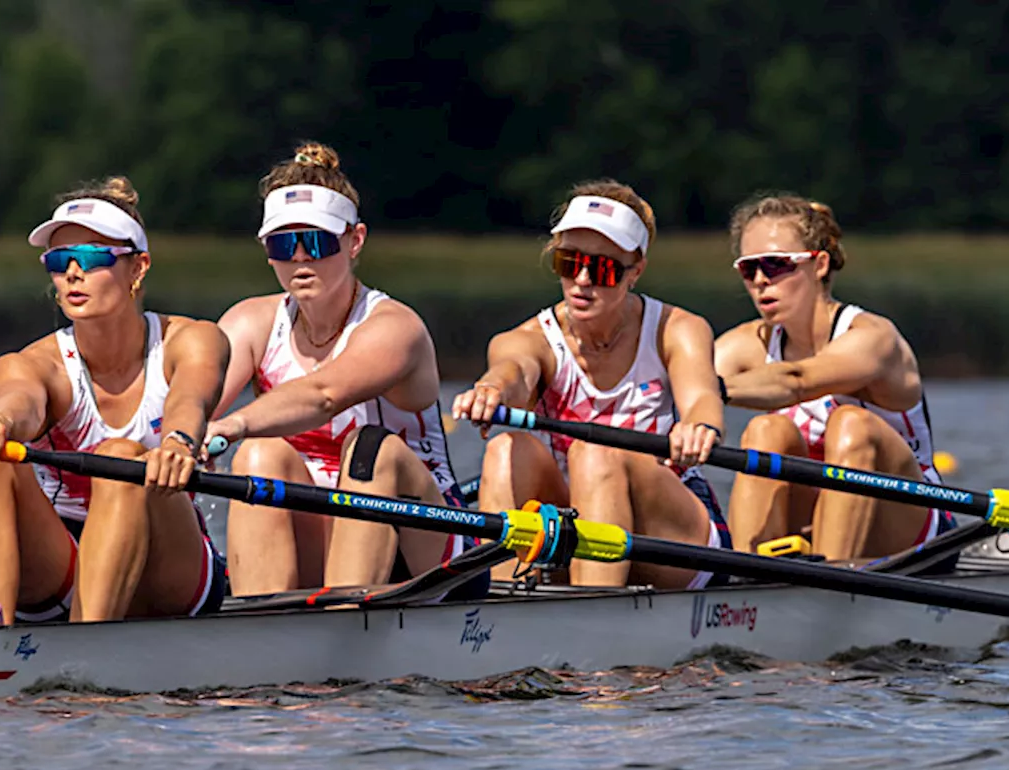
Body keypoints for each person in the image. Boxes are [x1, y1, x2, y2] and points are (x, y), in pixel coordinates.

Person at [0, 176, 231, 624]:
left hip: (170, 567)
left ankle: (88, 650)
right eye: (59, 260)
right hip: (63, 564)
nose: (73, 273)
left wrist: (178, 442)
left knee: (121, 458)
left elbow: (191, 398)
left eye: (93, 257)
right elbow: (19, 401)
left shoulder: (192, 340)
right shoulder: (31, 364)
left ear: (139, 267)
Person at [205, 143, 474, 597]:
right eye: (283, 244)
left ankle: (342, 633)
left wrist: (231, 425)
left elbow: (324, 395)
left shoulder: (394, 327)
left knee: (372, 448)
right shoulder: (250, 322)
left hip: (422, 545)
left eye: (317, 241)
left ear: (356, 240)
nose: (301, 259)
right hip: (323, 534)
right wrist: (179, 433)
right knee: (257, 456)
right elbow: (189, 400)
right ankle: (257, 636)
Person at [452, 179, 731, 590]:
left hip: (672, 536)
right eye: (569, 263)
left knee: (597, 451)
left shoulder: (678, 329)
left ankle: (591, 604)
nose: (582, 280)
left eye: (602, 269)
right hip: (576, 525)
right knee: (505, 449)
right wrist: (491, 390)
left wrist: (700, 427)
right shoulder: (528, 338)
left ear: (636, 271)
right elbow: (512, 372)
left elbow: (702, 398)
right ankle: (499, 607)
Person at [714, 193, 955, 560]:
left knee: (851, 425)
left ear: (820, 264)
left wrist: (710, 390)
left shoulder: (873, 337)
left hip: (911, 525)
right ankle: (748, 584)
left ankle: (829, 582)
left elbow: (796, 379)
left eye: (777, 265)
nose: (761, 280)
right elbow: (675, 382)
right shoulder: (745, 344)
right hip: (815, 517)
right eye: (749, 269)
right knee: (766, 433)